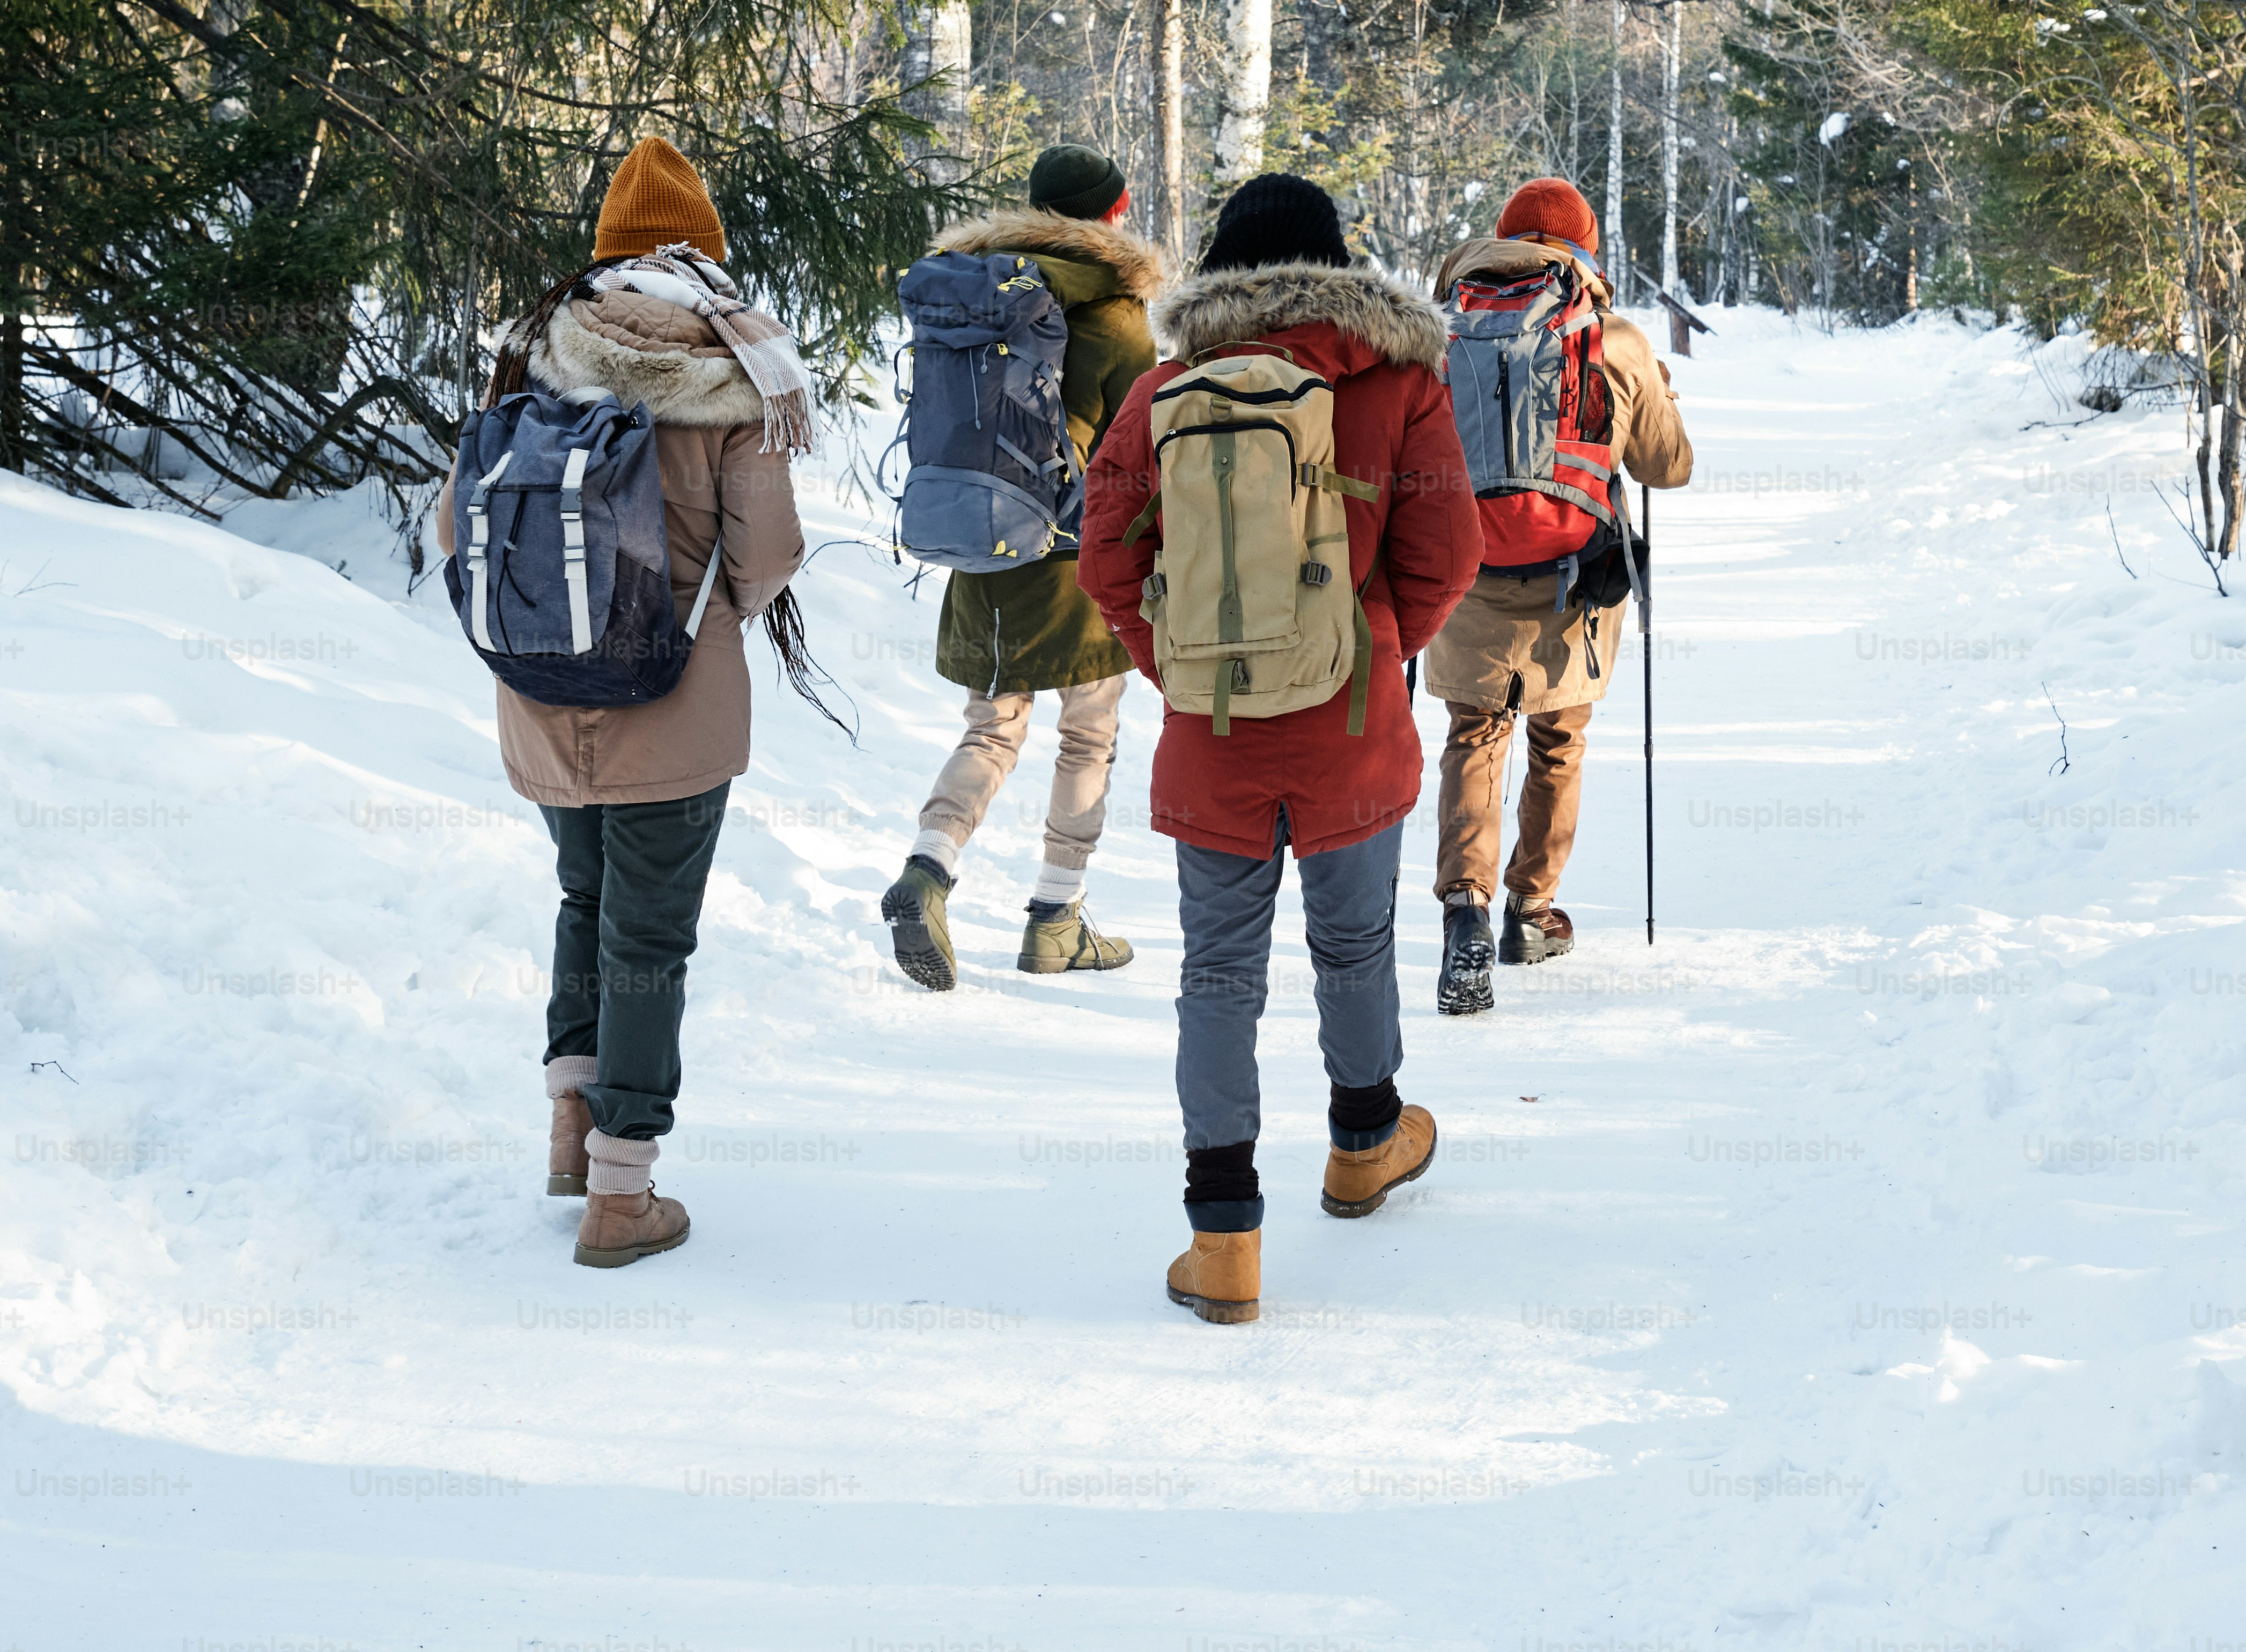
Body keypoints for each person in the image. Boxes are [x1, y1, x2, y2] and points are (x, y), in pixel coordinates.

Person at [1078, 172, 1482, 1324]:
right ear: (1334, 260)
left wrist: (1185, 671)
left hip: (1215, 736)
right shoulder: (1399, 377)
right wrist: (1376, 642)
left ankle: (1224, 1243)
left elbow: (1106, 557)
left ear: (1224, 271)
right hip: (1353, 726)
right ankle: (1364, 1143)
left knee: (1218, 974)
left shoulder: (1164, 387)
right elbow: (1448, 551)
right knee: (1354, 941)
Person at [449, 136, 808, 1269]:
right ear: (701, 251)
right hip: (675, 700)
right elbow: (769, 557)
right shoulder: (733, 373)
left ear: (607, 250)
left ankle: (571, 1118)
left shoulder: (531, 352)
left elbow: (460, 529)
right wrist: (703, 609)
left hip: (543, 688)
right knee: (648, 935)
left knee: (582, 893)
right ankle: (622, 1194)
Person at [877, 145, 1166, 990]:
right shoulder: (1116, 317)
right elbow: (1141, 446)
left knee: (992, 730)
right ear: (1108, 216)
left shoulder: (976, 291)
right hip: (1077, 562)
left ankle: (927, 870)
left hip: (982, 542)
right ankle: (1056, 917)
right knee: (1089, 737)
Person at [1425, 176, 1692, 1014]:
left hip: (1464, 569)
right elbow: (1667, 467)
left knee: (1476, 733)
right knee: (1558, 740)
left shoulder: (1438, 331)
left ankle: (1463, 913)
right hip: (1573, 580)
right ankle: (1531, 912)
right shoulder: (1611, 337)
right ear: (1583, 249)